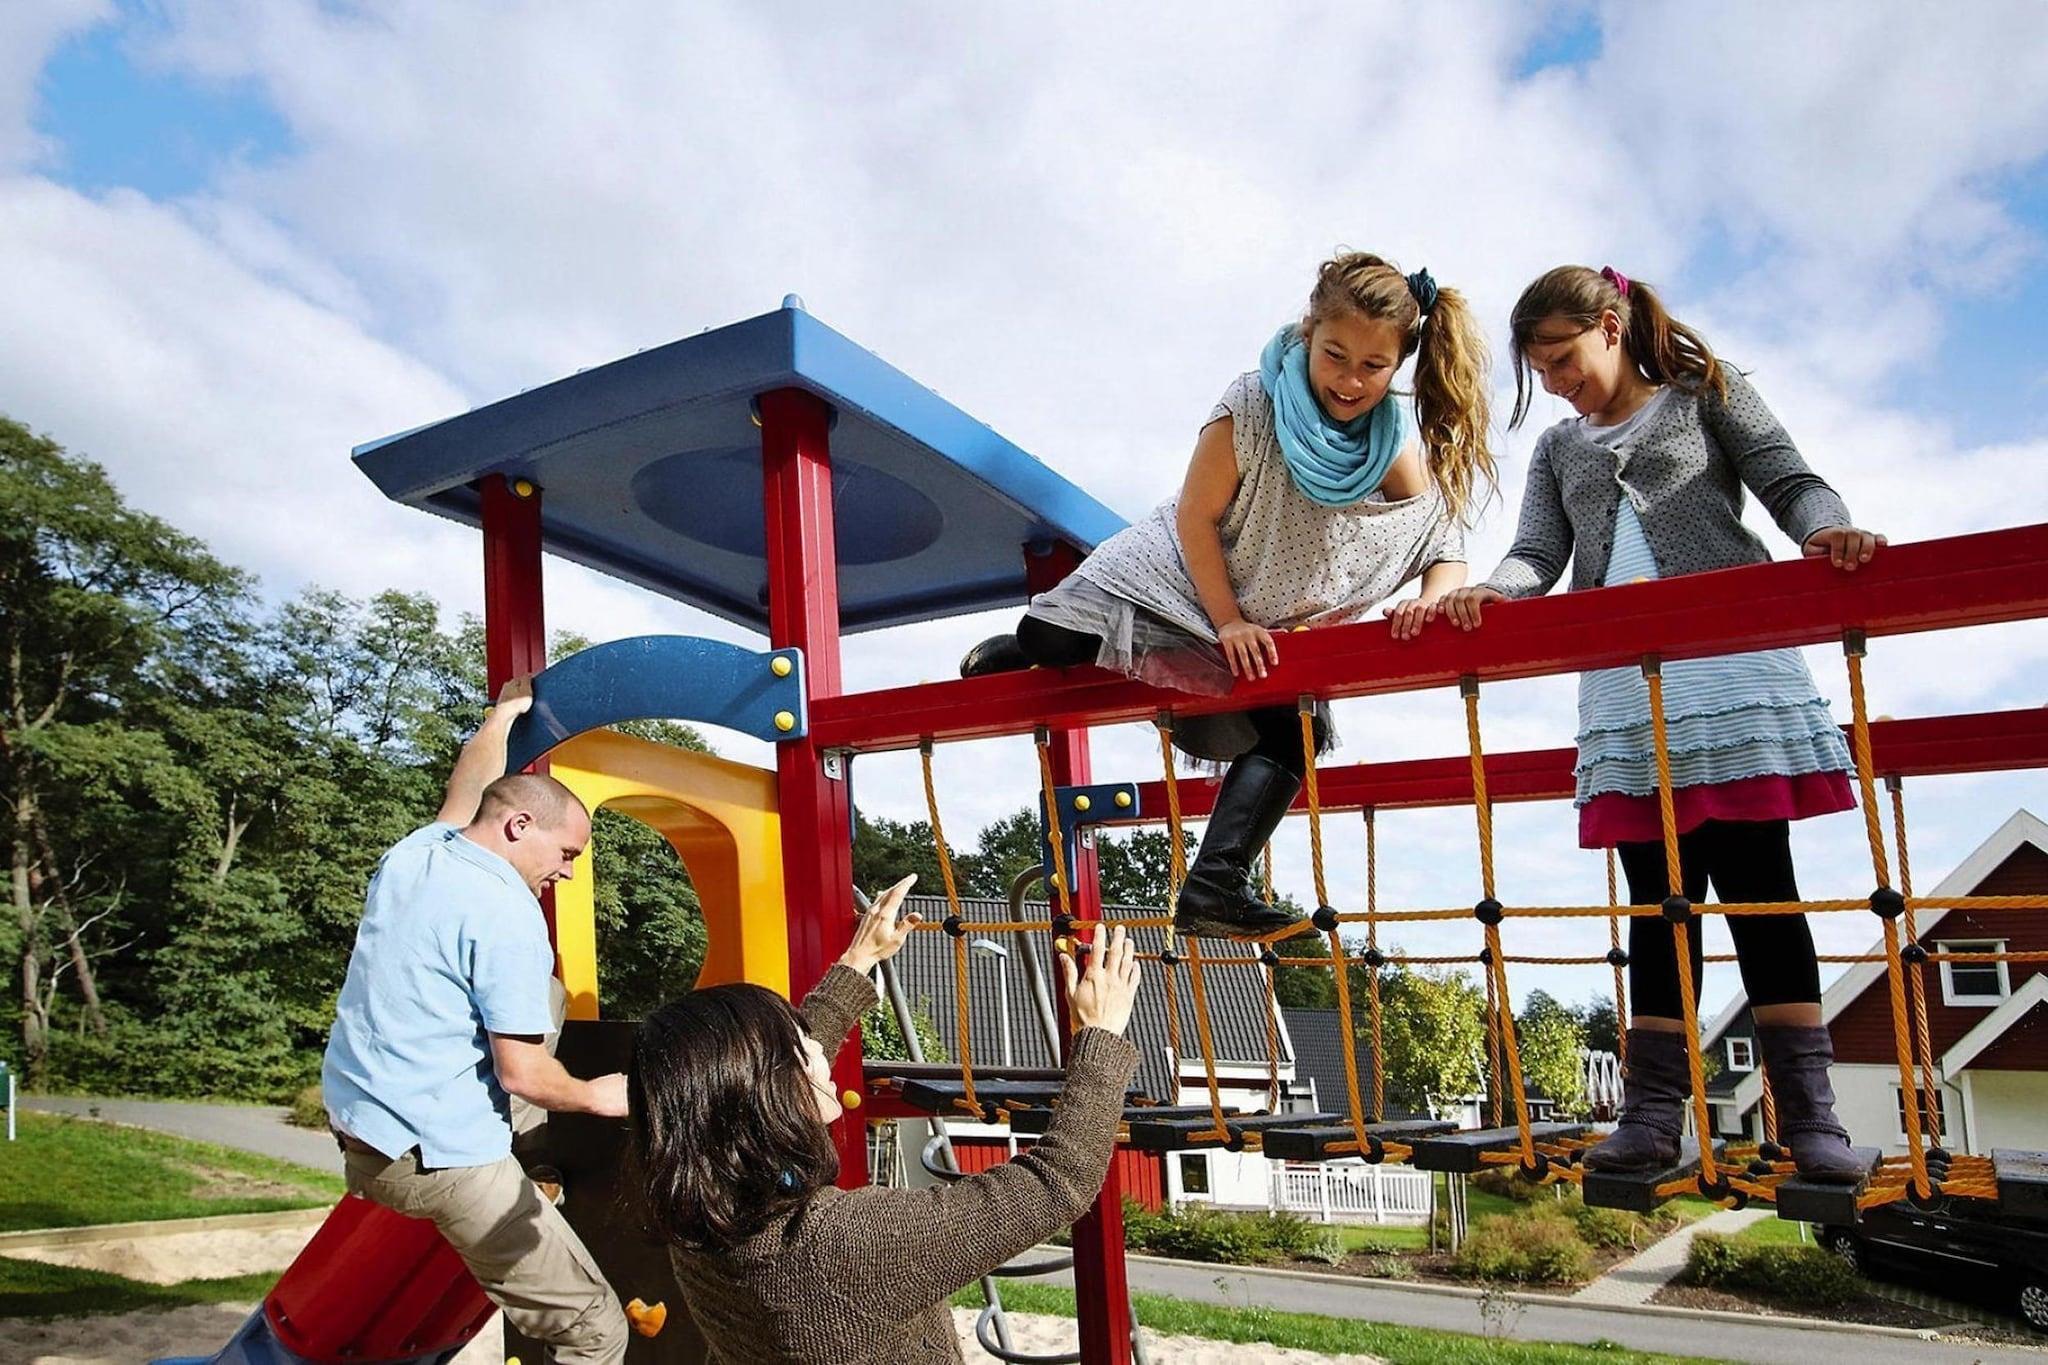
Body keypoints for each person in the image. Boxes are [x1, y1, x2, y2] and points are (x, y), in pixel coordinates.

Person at [1433, 265, 1884, 1182]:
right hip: (1625, 691)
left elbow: (1790, 480)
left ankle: (1810, 1116)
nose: (1556, 383)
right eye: (1540, 370)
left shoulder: (1705, 393)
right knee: (1656, 901)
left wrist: (1826, 530)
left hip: (1728, 673)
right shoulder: (1559, 448)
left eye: (1564, 359)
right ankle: (1651, 1114)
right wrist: (1496, 590)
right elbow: (1537, 552)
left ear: (1611, 326)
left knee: (1761, 885)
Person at [960, 251, 1495, 941]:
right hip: (1189, 571)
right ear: (1308, 333)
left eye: (1373, 366)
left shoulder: (1388, 441)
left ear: (1397, 366)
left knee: (1296, 729)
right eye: (1335, 356)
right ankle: (1027, 648)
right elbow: (1196, 516)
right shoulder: (1254, 403)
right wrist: (1227, 618)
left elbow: (1441, 539)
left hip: (1267, 614)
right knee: (1053, 634)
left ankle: (1215, 886)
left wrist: (1432, 596)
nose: (1350, 380)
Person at [631, 892, 1142, 1365]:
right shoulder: (849, 1245)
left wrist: (858, 962)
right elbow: (1056, 1182)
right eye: (800, 1051)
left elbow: (752, 1083)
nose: (820, 1055)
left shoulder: (697, 1225)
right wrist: (1100, 1033)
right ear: (769, 1097)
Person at [322, 677, 629, 1361]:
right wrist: (600, 1094)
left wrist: (502, 717)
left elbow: (470, 789)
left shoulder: (419, 851)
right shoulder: (509, 916)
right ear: (519, 827)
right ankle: (529, 1158)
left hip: (364, 1130)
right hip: (439, 1157)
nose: (567, 873)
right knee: (596, 1328)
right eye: (567, 854)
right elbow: (522, 1075)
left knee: (546, 996)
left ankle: (532, 1153)